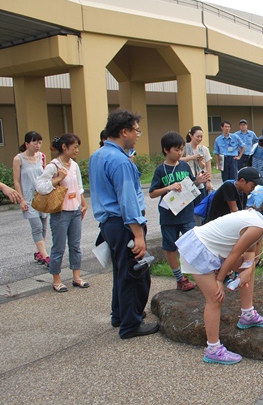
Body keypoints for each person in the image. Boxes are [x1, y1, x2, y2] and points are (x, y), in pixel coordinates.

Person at [176, 190, 263, 364]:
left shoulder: (254, 216)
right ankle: (213, 349)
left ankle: (247, 314)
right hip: (199, 249)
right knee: (215, 299)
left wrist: (246, 271)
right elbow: (235, 253)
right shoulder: (258, 226)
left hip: (209, 248)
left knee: (249, 267)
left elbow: (249, 255)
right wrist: (219, 280)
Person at [89, 109, 159, 339]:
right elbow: (128, 203)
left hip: (109, 225)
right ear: (124, 131)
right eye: (136, 130)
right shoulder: (120, 161)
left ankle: (119, 315)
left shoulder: (98, 155)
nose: (138, 135)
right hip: (124, 224)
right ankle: (130, 324)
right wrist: (138, 236)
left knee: (121, 270)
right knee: (134, 275)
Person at [149, 132, 210, 291]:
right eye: (176, 150)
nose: (180, 153)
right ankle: (179, 278)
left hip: (187, 214)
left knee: (194, 242)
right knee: (170, 247)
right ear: (166, 150)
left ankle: (202, 273)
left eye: (182, 149)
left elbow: (190, 186)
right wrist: (168, 187)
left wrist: (198, 181)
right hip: (169, 217)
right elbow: (152, 193)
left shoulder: (184, 166)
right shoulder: (160, 170)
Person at [36, 134, 89, 292]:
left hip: (75, 211)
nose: (77, 150)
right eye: (74, 147)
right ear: (64, 147)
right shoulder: (53, 166)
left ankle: (76, 277)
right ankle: (56, 279)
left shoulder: (74, 165)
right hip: (60, 212)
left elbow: (79, 187)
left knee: (75, 246)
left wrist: (84, 205)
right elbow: (40, 186)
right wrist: (58, 179)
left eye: (78, 147)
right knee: (59, 247)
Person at [13, 131, 50, 266]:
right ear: (27, 144)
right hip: (29, 198)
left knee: (44, 227)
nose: (38, 145)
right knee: (37, 227)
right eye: (35, 142)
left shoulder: (42, 156)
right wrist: (21, 199)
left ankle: (39, 252)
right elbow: (16, 181)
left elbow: (45, 175)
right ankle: (46, 257)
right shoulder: (18, 159)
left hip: (42, 197)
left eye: (40, 142)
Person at [183, 126, 213, 216]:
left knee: (201, 205)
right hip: (188, 180)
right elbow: (178, 160)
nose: (199, 139)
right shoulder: (184, 147)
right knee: (188, 204)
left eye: (201, 137)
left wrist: (208, 181)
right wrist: (191, 157)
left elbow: (207, 166)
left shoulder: (204, 149)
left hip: (201, 181)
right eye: (197, 136)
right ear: (191, 136)